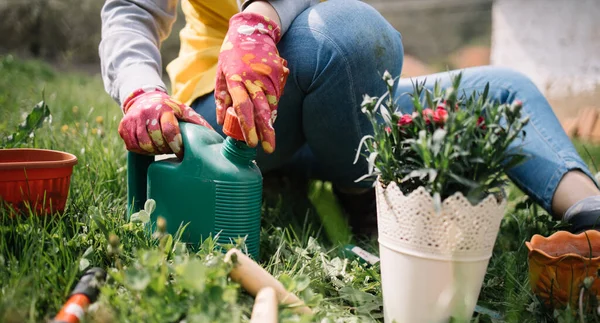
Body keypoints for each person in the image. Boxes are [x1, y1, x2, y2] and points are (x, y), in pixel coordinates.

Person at [99, 0, 600, 237]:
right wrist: (141, 89)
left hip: (334, 97)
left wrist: (261, 16)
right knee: (349, 36)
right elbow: (131, 9)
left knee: (501, 89)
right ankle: (362, 195)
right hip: (229, 112)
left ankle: (590, 214)